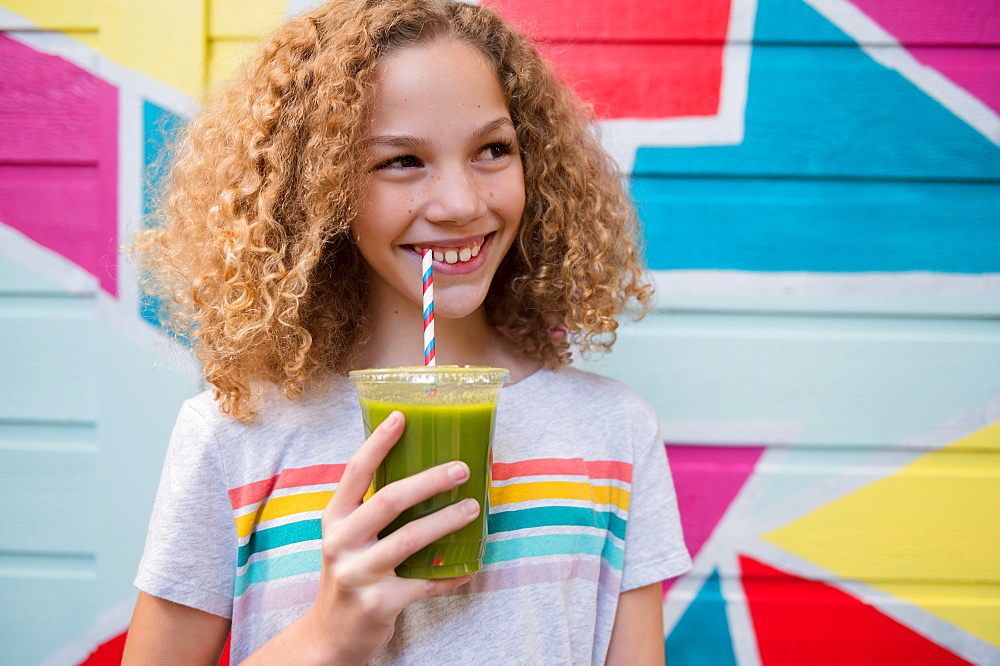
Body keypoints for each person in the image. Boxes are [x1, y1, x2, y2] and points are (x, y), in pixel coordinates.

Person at [123, 0, 691, 663]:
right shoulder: (235, 436)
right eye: (400, 161)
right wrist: (327, 635)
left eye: (493, 150)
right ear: (320, 187)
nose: (461, 204)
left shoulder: (614, 433)